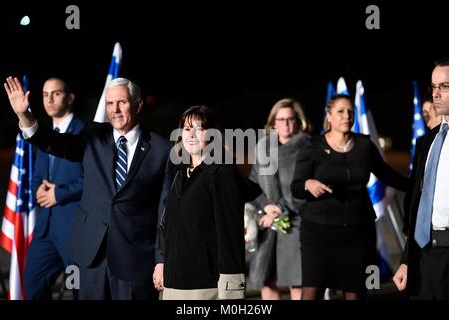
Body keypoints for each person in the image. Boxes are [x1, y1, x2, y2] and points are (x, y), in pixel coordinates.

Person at [4, 76, 173, 300]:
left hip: (135, 261)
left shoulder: (162, 149)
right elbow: (54, 142)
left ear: (138, 105)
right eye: (110, 104)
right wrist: (24, 116)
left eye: (122, 102)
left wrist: (161, 259)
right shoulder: (94, 137)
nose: (115, 110)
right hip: (90, 260)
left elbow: (165, 210)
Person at [291, 94, 408, 300]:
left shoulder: (364, 146)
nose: (347, 116)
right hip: (318, 234)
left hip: (357, 234)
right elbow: (296, 186)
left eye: (350, 112)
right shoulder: (313, 147)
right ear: (329, 116)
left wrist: (418, 185)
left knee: (355, 292)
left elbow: (387, 174)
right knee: (311, 293)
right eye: (340, 111)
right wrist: (308, 184)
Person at [152, 106, 261, 300]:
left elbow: (229, 235)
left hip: (205, 287)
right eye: (186, 128)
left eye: (199, 128)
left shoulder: (222, 174)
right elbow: (170, 226)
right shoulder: (180, 174)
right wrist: (162, 262)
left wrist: (231, 289)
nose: (191, 134)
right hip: (173, 283)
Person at [24, 77, 84, 299]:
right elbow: (39, 175)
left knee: (78, 290)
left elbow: (93, 180)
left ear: (69, 98)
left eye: (55, 93)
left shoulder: (83, 132)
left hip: (73, 232)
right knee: (32, 286)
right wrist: (38, 188)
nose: (49, 99)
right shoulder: (46, 134)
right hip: (45, 232)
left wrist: (58, 193)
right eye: (45, 94)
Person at [393, 58, 449, 299]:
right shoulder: (427, 142)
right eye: (433, 87)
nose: (436, 93)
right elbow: (418, 204)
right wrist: (406, 260)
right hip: (423, 254)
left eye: (444, 86)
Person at [247, 98, 312, 300]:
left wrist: (279, 211)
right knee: (266, 279)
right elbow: (253, 184)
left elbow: (304, 189)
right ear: (273, 122)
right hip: (268, 224)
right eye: (280, 119)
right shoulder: (264, 149)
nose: (285, 124)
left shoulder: (307, 149)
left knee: (296, 282)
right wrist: (266, 207)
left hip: (296, 224)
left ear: (298, 122)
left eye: (290, 119)